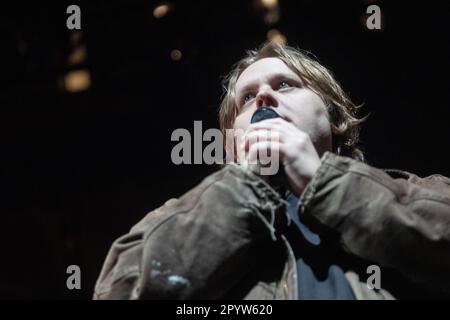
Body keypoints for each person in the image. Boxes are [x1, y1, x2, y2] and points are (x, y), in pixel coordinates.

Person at [93, 42, 450, 300]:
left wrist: (323, 181)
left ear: (334, 116)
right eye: (247, 98)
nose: (264, 97)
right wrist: (247, 185)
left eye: (284, 85)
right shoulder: (173, 218)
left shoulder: (421, 190)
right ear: (231, 141)